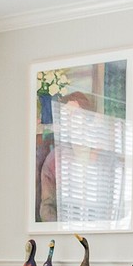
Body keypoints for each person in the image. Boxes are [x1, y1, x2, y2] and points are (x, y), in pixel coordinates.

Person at [38, 91, 93, 223]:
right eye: (65, 117)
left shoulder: (104, 156)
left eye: (75, 115)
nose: (70, 121)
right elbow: (47, 207)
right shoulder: (54, 160)